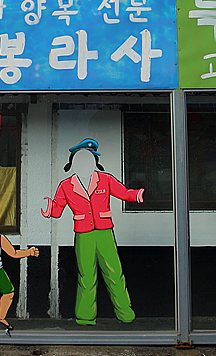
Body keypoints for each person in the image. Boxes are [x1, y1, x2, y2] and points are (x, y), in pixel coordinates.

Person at [41, 138, 144, 325]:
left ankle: (125, 314)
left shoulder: (105, 179)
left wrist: (137, 195)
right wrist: (49, 209)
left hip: (105, 233)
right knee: (86, 276)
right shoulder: (66, 185)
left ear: (95, 162)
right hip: (83, 234)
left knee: (114, 273)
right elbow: (57, 209)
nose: (84, 164)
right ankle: (85, 317)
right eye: (79, 160)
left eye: (88, 160)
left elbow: (123, 192)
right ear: (72, 164)